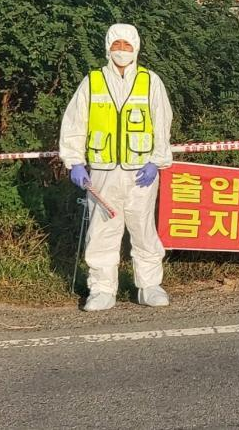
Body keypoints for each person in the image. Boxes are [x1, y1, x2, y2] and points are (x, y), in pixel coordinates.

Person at [60, 23, 173, 311]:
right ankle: (102, 289)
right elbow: (75, 123)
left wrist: (156, 161)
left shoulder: (150, 81)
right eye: (116, 45)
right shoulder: (93, 81)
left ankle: (149, 286)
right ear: (108, 48)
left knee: (143, 228)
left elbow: (162, 123)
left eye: (127, 45)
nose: (121, 50)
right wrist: (75, 162)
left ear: (136, 48)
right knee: (102, 231)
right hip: (102, 171)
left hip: (141, 172)